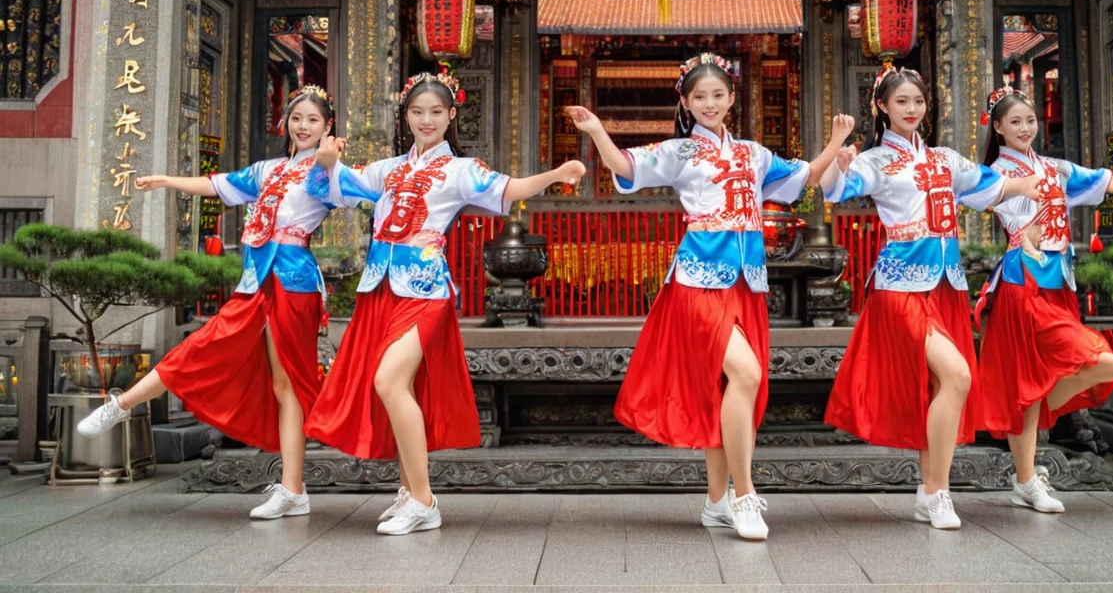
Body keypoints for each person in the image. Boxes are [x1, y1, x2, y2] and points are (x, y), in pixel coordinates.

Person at [568, 52, 853, 542]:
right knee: (746, 372)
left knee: (730, 389)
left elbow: (803, 179)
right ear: (685, 100)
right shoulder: (681, 153)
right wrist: (596, 131)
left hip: (746, 283)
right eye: (699, 96)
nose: (709, 103)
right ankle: (745, 495)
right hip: (699, 280)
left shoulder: (752, 153)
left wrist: (835, 143)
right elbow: (628, 167)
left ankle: (716, 500)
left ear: (732, 98)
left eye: (718, 95)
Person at [306, 69, 585, 536]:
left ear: (451, 115)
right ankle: (408, 489)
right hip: (381, 289)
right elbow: (330, 191)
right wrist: (326, 163)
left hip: (426, 290)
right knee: (401, 390)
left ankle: (423, 499)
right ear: (406, 115)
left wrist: (556, 174)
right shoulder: (388, 169)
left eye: (436, 112)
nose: (426, 120)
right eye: (417, 112)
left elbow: (508, 189)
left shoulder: (460, 170)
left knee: (390, 382)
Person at [77, 86, 336, 520]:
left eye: (313, 120)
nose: (304, 126)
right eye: (297, 118)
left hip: (294, 284)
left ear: (327, 127)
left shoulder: (327, 171)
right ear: (286, 123)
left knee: (286, 385)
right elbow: (218, 184)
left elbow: (343, 185)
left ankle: (293, 489)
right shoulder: (268, 170)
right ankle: (119, 406)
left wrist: (330, 160)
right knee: (201, 346)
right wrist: (165, 181)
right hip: (255, 283)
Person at [823, 66, 1043, 531]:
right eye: (901, 102)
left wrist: (1024, 186)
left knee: (940, 387)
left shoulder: (945, 159)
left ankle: (932, 492)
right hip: (900, 286)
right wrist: (838, 164)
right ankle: (935, 492)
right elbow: (839, 189)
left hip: (946, 286)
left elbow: (989, 188)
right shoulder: (877, 161)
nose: (911, 110)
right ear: (882, 107)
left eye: (917, 102)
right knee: (958, 375)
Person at [976, 85, 1113, 513]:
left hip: (1057, 282)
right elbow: (992, 208)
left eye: (1030, 120)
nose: (1025, 127)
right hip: (1023, 284)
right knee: (1056, 363)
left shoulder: (1054, 168)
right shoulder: (998, 174)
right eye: (1015, 121)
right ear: (998, 128)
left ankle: (1024, 481)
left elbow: (1108, 180)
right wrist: (1027, 232)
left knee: (1038, 389)